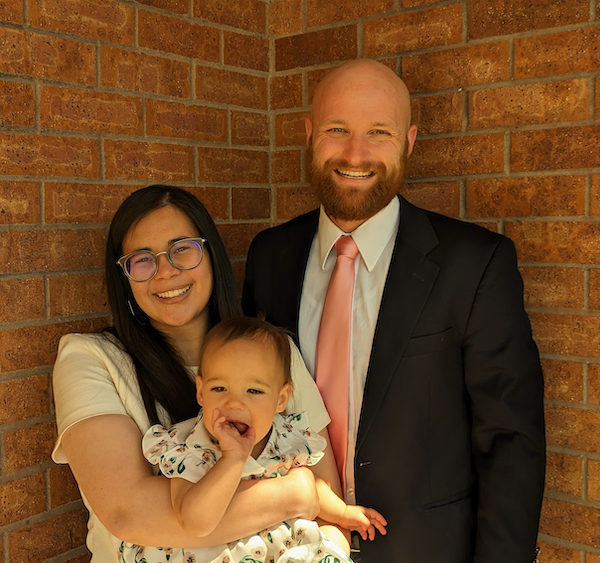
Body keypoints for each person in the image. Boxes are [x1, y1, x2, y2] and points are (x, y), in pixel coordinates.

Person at [242, 59, 546, 563]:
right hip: (290, 546)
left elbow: (510, 440)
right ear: (310, 132)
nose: (355, 154)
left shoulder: (474, 264)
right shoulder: (269, 255)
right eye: (337, 129)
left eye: (378, 132)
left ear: (408, 140)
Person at [51, 185, 343, 562]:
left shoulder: (275, 351)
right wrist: (298, 494)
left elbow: (331, 497)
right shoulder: (90, 359)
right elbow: (130, 513)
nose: (166, 272)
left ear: (211, 255)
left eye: (182, 249)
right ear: (124, 278)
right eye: (142, 260)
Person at [118, 316, 387, 563]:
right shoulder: (189, 447)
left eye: (254, 390)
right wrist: (232, 459)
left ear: (281, 399)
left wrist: (343, 513)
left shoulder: (288, 437)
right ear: (201, 392)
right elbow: (194, 521)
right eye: (219, 388)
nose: (234, 403)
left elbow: (314, 490)